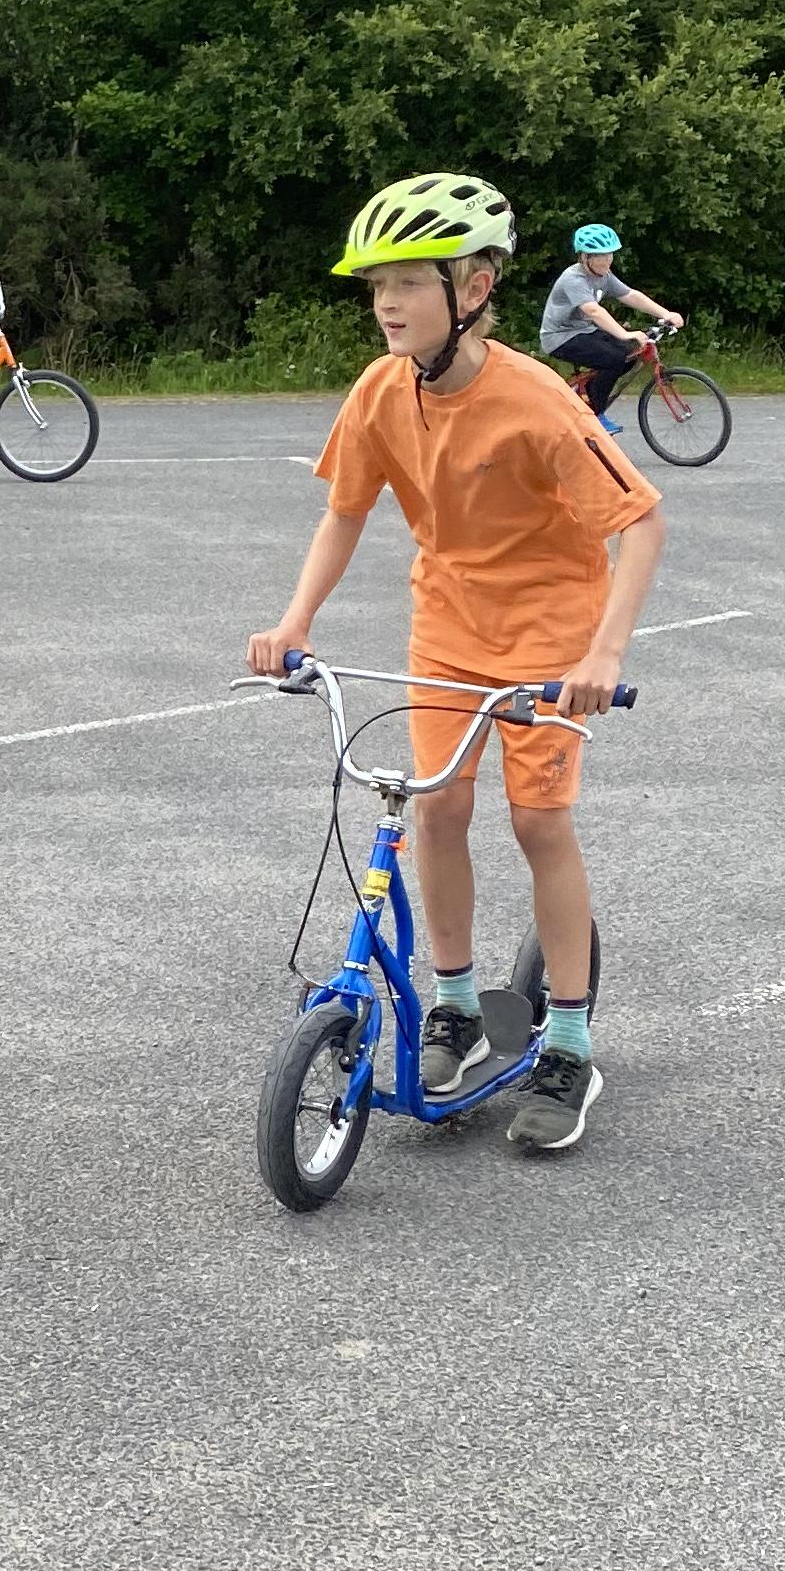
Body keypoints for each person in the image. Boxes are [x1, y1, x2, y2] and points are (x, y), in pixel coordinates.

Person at [246, 171, 666, 1157]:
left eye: (408, 281)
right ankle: (457, 1008)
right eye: (376, 285)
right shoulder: (380, 390)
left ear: (473, 288)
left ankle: (569, 1042)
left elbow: (641, 520)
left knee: (538, 819)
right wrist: (294, 620)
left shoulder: (536, 401)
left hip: (551, 629)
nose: (386, 302)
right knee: (433, 807)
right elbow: (345, 513)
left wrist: (603, 651)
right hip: (448, 622)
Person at [538, 221, 682, 426]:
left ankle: (583, 397)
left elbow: (630, 295)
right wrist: (625, 333)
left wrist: (666, 314)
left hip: (584, 331)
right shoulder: (574, 279)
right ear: (585, 257)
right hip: (560, 337)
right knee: (614, 359)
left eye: (610, 254)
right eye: (601, 255)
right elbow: (593, 311)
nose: (608, 260)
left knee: (631, 353)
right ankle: (594, 416)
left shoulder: (603, 275)